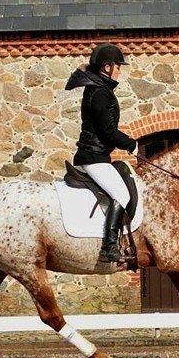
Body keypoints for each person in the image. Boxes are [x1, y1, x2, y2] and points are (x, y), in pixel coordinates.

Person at [65, 43, 138, 263]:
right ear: (107, 67)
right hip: (93, 158)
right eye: (118, 66)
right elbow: (107, 132)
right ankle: (108, 247)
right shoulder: (100, 93)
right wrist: (130, 143)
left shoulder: (98, 89)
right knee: (122, 195)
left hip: (97, 156)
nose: (120, 70)